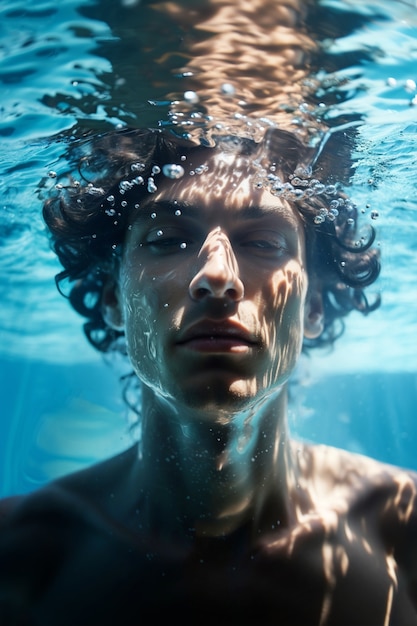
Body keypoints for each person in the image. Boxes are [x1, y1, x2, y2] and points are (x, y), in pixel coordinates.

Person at [0, 126, 416, 626]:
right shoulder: (19, 551)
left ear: (316, 305)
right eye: (169, 239)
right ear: (113, 297)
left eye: (262, 241)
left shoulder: (404, 526)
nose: (217, 276)